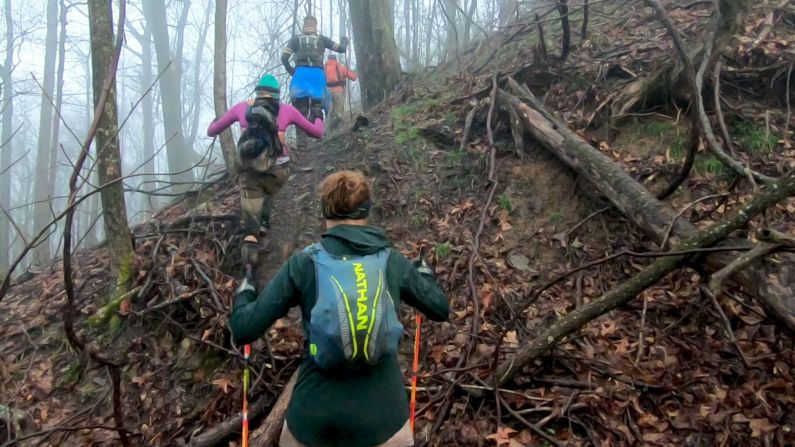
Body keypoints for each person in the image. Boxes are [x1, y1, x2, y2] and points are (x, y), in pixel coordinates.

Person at [230, 171, 449, 447]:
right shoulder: (392, 261)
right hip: (384, 420)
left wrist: (245, 293)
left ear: (324, 211)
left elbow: (244, 329)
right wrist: (425, 276)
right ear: (367, 209)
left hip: (313, 422)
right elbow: (439, 308)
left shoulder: (303, 263)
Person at [207, 74, 324, 264]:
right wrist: (318, 115)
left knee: (249, 229)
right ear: (277, 94)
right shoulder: (287, 110)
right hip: (279, 172)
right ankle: (265, 222)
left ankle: (249, 268)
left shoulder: (242, 108)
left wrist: (216, 121)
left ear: (258, 92)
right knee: (271, 191)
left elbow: (212, 131)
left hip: (250, 173)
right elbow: (318, 133)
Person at [281, 16, 349, 123]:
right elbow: (342, 49)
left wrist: (292, 72)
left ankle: (302, 138)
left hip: (300, 75)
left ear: (304, 26)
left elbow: (284, 58)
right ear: (315, 26)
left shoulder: (295, 39)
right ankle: (317, 134)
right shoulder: (321, 38)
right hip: (317, 75)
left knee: (300, 111)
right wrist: (344, 41)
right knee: (316, 108)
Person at [324, 54, 358, 130]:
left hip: (326, 94)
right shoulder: (340, 67)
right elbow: (353, 77)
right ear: (336, 59)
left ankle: (329, 131)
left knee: (329, 113)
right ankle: (337, 130)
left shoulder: (324, 68)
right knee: (338, 113)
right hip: (339, 92)